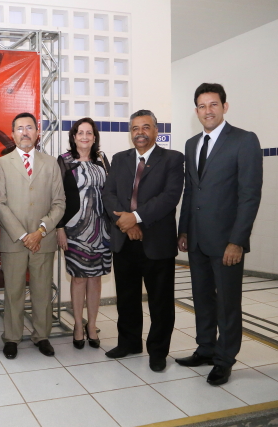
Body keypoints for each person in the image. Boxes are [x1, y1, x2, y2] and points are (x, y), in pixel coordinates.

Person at [177, 83, 263, 386]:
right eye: (202, 106)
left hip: (227, 242)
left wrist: (237, 241)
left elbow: (249, 196)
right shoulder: (192, 144)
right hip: (197, 239)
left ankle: (225, 359)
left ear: (225, 107)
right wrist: (184, 229)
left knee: (227, 303)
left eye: (213, 104)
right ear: (196, 111)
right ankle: (206, 349)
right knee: (202, 298)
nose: (208, 110)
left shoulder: (244, 140)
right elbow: (191, 190)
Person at [102, 110, 184, 372]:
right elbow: (109, 194)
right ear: (130, 132)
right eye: (135, 128)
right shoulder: (119, 159)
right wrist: (126, 225)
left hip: (157, 242)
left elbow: (169, 197)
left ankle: (158, 352)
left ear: (156, 131)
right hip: (124, 241)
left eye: (146, 127)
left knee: (160, 301)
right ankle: (129, 343)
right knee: (127, 297)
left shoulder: (172, 159)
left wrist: (135, 218)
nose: (140, 133)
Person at [0, 112, 65, 359]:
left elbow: (59, 203)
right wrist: (24, 235)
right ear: (12, 134)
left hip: (43, 239)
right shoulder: (2, 163)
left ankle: (41, 336)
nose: (25, 132)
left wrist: (40, 231)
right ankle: (12, 338)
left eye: (29, 128)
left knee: (42, 291)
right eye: (20, 128)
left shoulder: (51, 163)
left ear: (37, 132)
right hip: (14, 240)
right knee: (13, 292)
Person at [56, 118, 111, 350]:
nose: (85, 136)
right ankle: (78, 325)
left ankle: (92, 325)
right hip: (74, 230)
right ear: (74, 136)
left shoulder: (102, 160)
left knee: (96, 278)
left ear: (94, 137)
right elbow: (57, 197)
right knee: (79, 278)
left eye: (89, 133)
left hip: (102, 230)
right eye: (81, 132)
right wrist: (59, 227)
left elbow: (111, 192)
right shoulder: (64, 161)